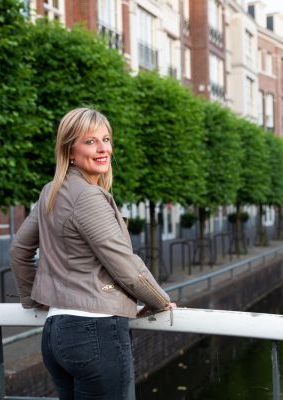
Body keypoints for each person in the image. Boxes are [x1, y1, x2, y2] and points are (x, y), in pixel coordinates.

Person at [10, 107, 176, 400]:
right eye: (90, 141)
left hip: (55, 334)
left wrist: (33, 299)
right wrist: (160, 302)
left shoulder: (51, 191)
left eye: (106, 139)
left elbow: (19, 250)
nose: (103, 149)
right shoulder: (88, 196)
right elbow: (126, 266)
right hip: (95, 333)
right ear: (69, 151)